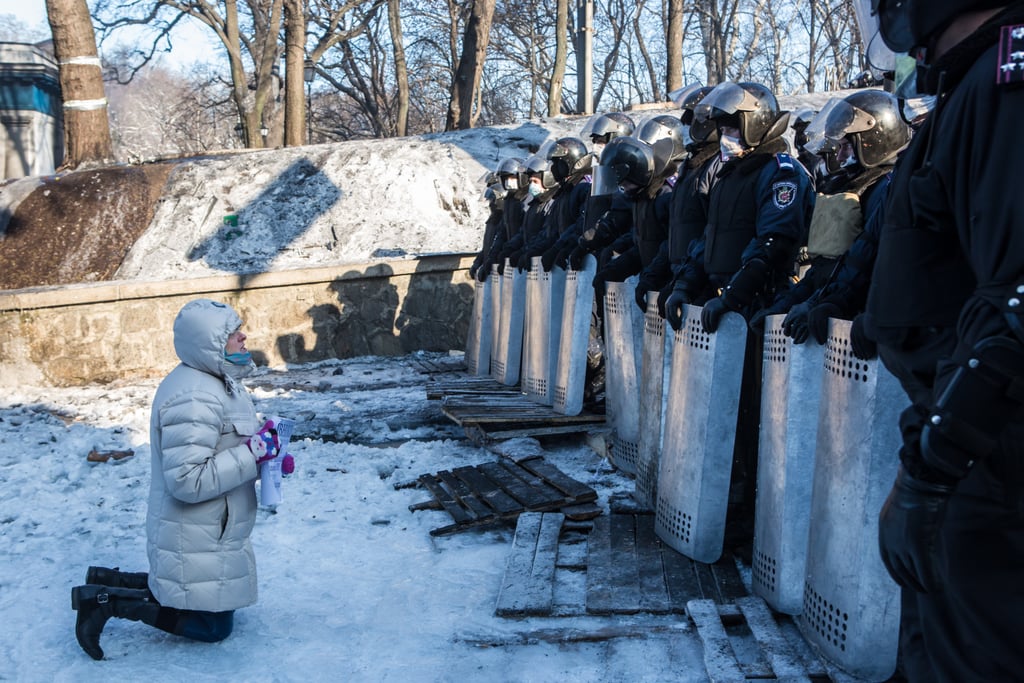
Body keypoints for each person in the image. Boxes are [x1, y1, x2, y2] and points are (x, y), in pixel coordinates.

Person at [866, 2, 1024, 680]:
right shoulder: (969, 85)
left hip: (987, 449)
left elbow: (1016, 300)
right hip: (958, 436)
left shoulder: (1006, 83)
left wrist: (936, 464)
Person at [71, 299, 286, 660]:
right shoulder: (194, 395)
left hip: (210, 528)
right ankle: (103, 602)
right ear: (211, 343)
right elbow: (187, 480)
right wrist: (252, 454)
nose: (244, 336)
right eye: (234, 333)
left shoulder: (216, 381)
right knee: (213, 627)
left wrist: (268, 454)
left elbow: (225, 442)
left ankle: (109, 579)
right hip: (196, 527)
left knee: (205, 598)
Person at [662, 81, 814, 557]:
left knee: (752, 419)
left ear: (755, 123)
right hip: (718, 308)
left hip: (754, 307)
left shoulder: (780, 172)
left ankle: (748, 522)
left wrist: (733, 297)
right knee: (717, 414)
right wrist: (685, 286)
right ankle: (721, 508)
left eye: (733, 125)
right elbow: (705, 241)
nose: (726, 135)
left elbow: (773, 244)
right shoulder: (727, 174)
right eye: (722, 127)